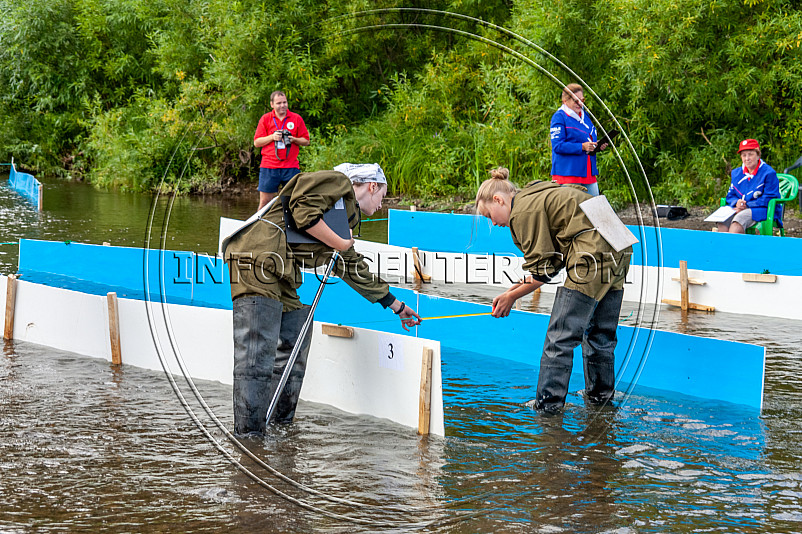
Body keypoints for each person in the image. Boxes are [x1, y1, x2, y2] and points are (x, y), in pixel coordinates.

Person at [224, 163, 422, 435]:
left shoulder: (346, 215)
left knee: (295, 343)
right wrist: (340, 243)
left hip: (282, 270)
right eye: (382, 197)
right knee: (257, 352)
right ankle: (249, 437)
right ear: (371, 186)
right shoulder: (338, 182)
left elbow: (349, 265)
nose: (381, 205)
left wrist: (394, 304)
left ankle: (279, 427)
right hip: (257, 258)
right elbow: (302, 212)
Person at [475, 167, 631, 414]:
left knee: (559, 337)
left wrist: (511, 297)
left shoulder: (522, 211)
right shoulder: (537, 195)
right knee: (600, 336)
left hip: (592, 254)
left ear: (498, 200)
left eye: (488, 215)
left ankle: (547, 408)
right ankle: (601, 400)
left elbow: (543, 272)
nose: (493, 222)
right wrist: (511, 291)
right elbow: (553, 261)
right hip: (619, 247)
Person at [253, 90, 311, 210]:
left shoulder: (296, 118)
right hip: (269, 166)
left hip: (290, 167)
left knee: (293, 202)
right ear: (272, 104)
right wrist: (272, 137)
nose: (283, 105)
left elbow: (306, 141)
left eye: (285, 102)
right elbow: (257, 142)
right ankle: (259, 227)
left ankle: (290, 227)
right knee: (265, 202)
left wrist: (293, 139)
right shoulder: (265, 119)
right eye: (279, 103)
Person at [549, 83, 608, 196]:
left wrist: (597, 146)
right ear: (565, 101)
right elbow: (557, 146)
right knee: (572, 212)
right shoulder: (559, 117)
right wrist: (582, 146)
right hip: (568, 174)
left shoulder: (585, 116)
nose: (580, 103)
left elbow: (589, 140)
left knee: (594, 209)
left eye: (582, 100)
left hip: (588, 173)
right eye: (576, 100)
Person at [717, 139, 781, 234]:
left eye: (750, 154)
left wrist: (746, 205)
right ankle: (725, 248)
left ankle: (738, 248)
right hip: (739, 208)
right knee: (722, 221)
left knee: (737, 222)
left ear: (758, 155)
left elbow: (769, 198)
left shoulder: (768, 173)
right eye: (744, 155)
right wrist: (737, 202)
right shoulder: (736, 173)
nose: (747, 158)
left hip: (762, 209)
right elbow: (730, 196)